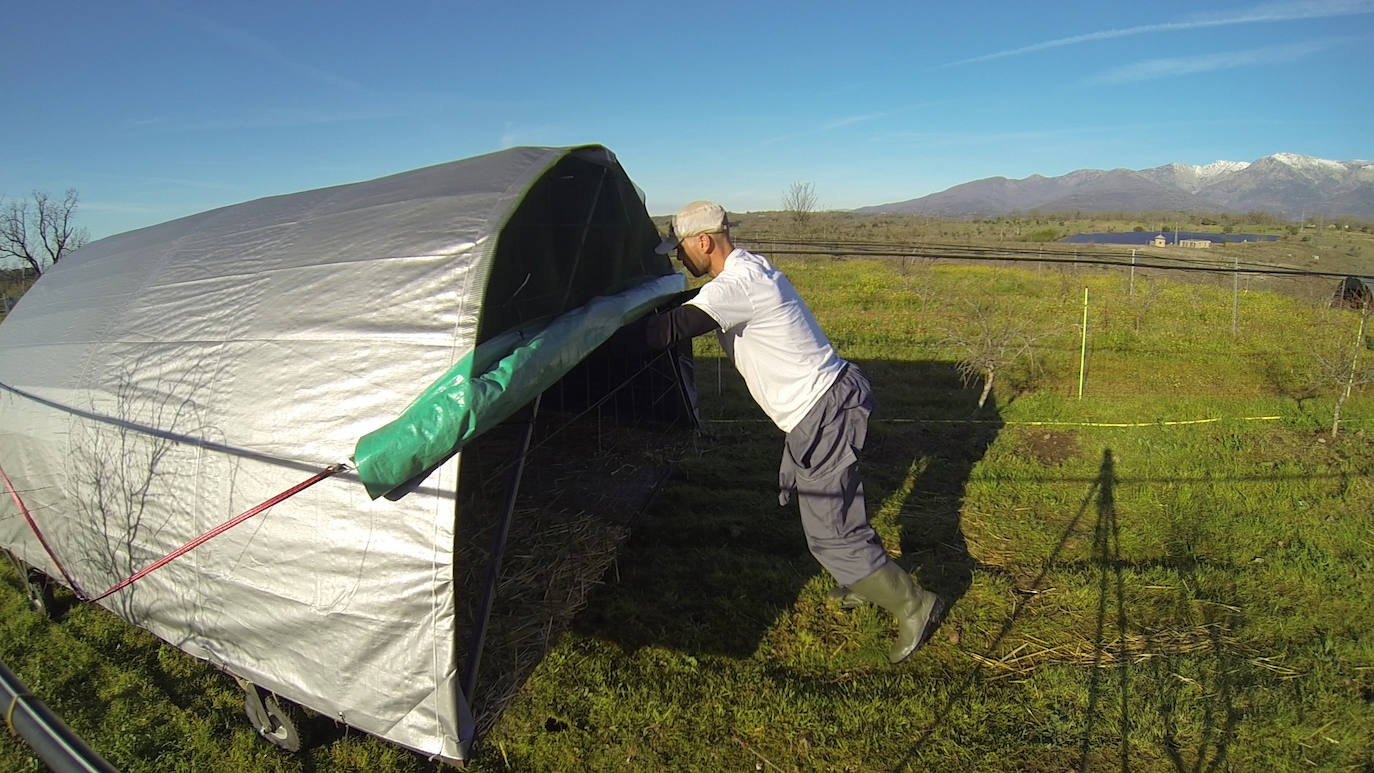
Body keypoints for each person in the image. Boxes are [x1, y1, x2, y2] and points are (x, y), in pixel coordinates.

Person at [637, 200, 945, 664]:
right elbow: (690, 306)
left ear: (703, 241)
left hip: (824, 409)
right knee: (834, 505)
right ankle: (864, 579)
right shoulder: (745, 270)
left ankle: (914, 604)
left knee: (828, 532)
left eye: (680, 248)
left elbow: (672, 330)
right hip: (826, 403)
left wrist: (594, 341)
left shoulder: (737, 285)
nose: (678, 258)